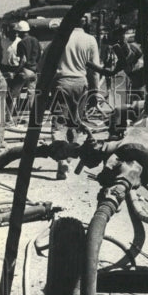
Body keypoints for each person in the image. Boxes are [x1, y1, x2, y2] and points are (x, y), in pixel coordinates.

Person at [51, 13, 107, 178]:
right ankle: (68, 157)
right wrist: (95, 93)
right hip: (80, 84)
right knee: (75, 124)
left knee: (58, 125)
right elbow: (95, 71)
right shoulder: (90, 40)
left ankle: (61, 161)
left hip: (61, 83)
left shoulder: (60, 38)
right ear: (85, 22)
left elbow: (44, 65)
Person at [7, 20, 42, 117]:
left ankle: (10, 116)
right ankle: (33, 115)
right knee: (32, 94)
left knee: (13, 93)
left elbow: (23, 60)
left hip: (25, 71)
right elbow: (39, 55)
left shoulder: (21, 43)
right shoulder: (35, 40)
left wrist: (17, 71)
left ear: (20, 32)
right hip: (34, 71)